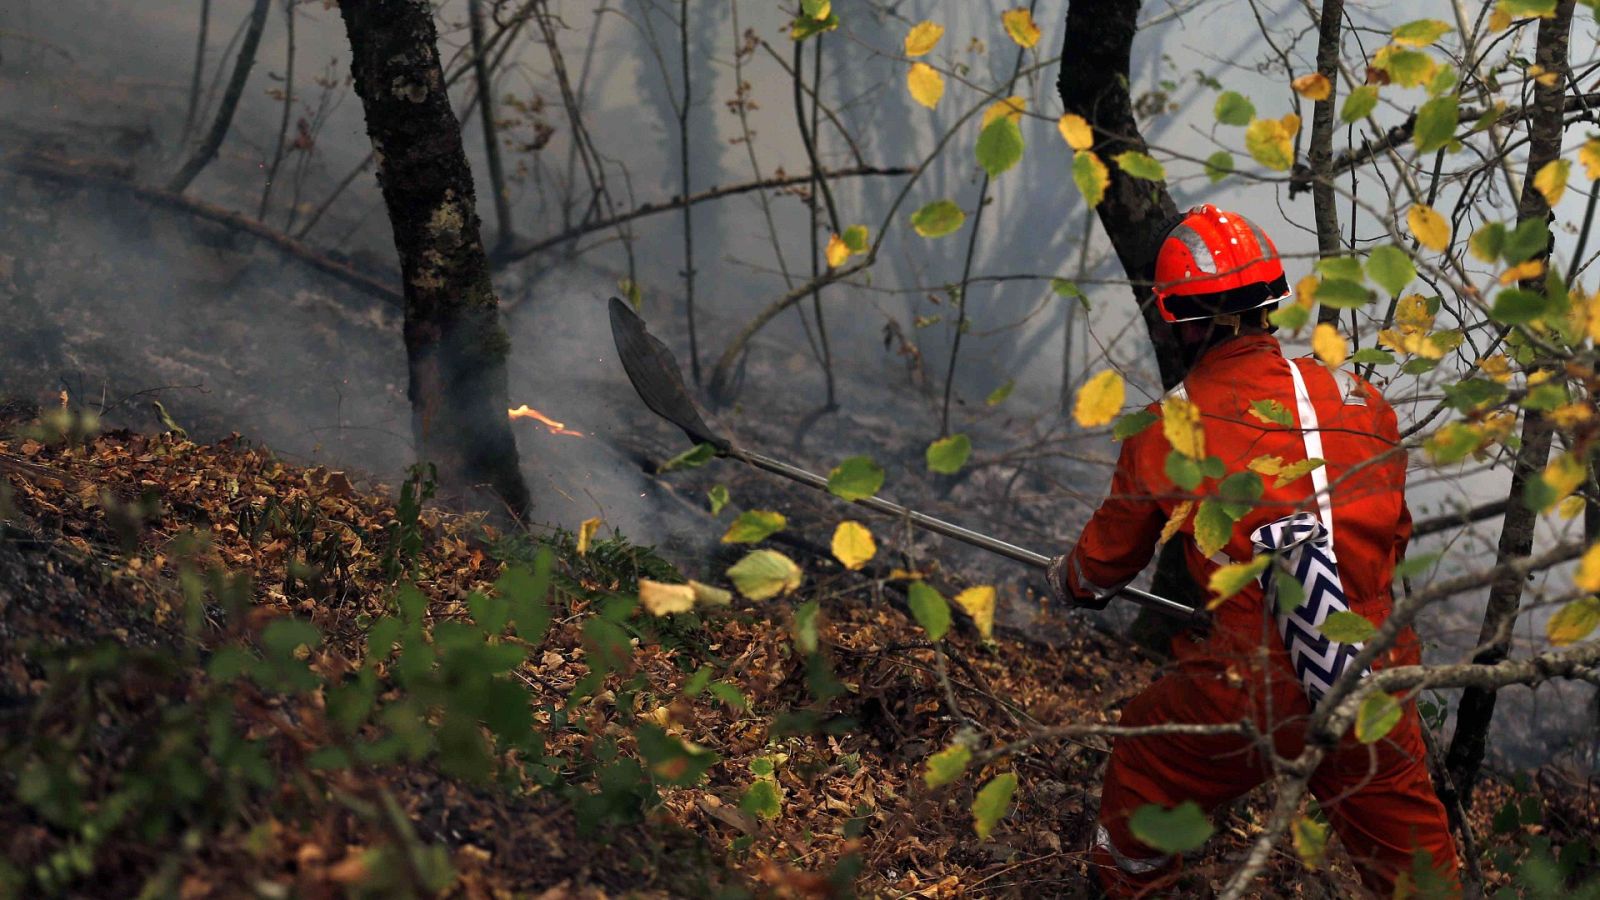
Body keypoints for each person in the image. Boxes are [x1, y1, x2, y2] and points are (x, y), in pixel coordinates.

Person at [1048, 205, 1461, 896]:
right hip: (1374, 666)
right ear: (1270, 303)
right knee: (1417, 865)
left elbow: (1102, 568)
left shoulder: (1170, 427)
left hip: (1253, 684)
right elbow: (1395, 534)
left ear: (1182, 320)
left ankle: (1130, 888)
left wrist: (1066, 582)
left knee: (1147, 763)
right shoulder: (1360, 398)